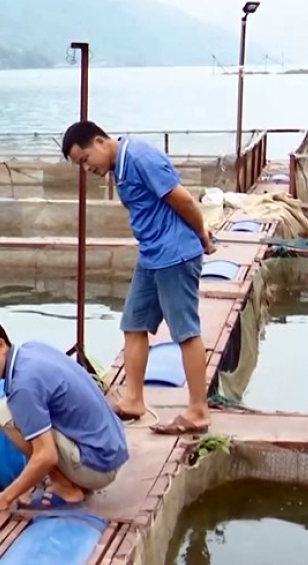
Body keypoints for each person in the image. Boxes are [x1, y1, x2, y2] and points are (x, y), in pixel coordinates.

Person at [60, 120, 216, 436]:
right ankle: (133, 399)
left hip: (175, 255)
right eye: (80, 165)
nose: (86, 168)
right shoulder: (119, 168)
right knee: (133, 325)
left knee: (185, 332)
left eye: (85, 159)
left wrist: (202, 235)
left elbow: (183, 200)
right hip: (150, 256)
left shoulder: (141, 157)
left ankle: (198, 410)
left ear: (101, 142)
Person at [0, 312, 129, 517]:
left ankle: (66, 490)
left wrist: (5, 497)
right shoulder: (31, 350)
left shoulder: (23, 386)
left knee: (3, 413)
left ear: (0, 345)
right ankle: (66, 478)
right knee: (14, 411)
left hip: (99, 468)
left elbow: (47, 455)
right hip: (111, 449)